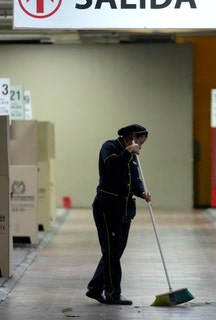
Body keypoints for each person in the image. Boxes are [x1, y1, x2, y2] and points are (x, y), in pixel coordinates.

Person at [86, 124, 152, 305]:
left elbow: (135, 180)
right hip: (108, 207)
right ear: (131, 137)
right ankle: (113, 293)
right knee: (112, 251)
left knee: (115, 251)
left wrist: (142, 192)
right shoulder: (110, 147)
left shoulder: (133, 156)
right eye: (140, 142)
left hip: (125, 208)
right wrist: (128, 152)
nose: (141, 147)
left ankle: (95, 288)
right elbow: (112, 166)